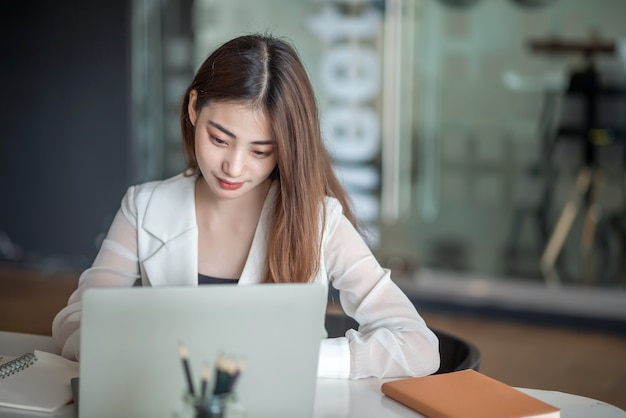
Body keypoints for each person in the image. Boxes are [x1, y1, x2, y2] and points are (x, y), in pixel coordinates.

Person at [52, 33, 440, 379]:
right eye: (219, 139)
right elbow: (75, 321)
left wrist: (297, 361)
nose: (234, 167)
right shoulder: (144, 208)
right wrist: (148, 356)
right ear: (192, 109)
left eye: (261, 151)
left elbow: (418, 346)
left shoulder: (321, 222)